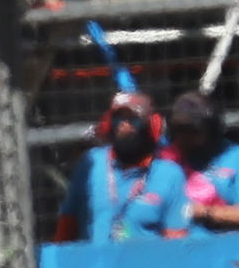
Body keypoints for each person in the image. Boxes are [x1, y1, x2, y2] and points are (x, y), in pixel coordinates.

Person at [54, 92, 189, 243]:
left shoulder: (169, 174)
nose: (124, 125)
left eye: (134, 120)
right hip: (96, 264)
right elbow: (67, 224)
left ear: (153, 125)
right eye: (118, 118)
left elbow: (177, 242)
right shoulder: (91, 163)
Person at [160, 91, 239, 234]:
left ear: (211, 130)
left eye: (192, 130)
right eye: (179, 129)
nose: (184, 136)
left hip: (218, 246)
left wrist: (205, 212)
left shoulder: (238, 157)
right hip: (167, 246)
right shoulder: (163, 157)